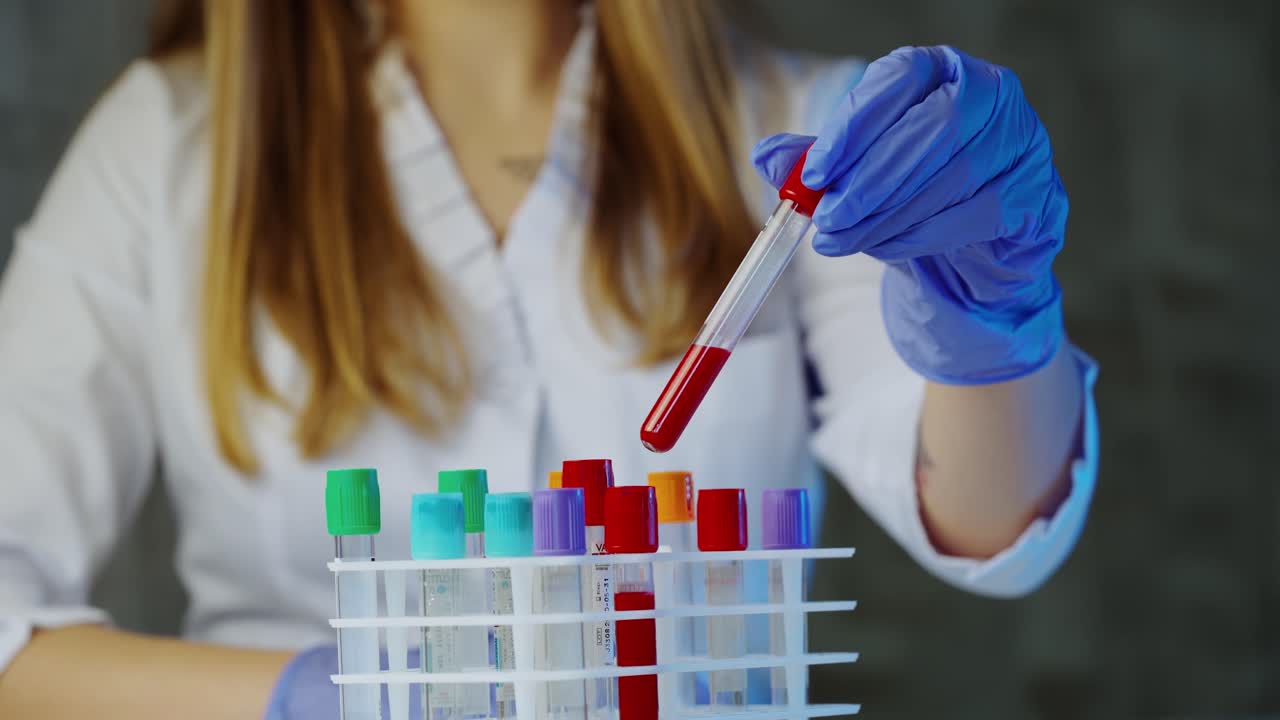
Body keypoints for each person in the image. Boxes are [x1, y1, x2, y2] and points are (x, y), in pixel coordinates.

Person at [0, 0, 1098, 717]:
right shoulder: (167, 149)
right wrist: (302, 698)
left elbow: (993, 528)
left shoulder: (808, 136)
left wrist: (996, 316)